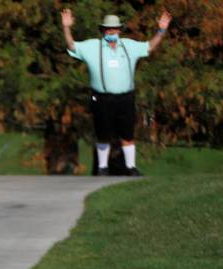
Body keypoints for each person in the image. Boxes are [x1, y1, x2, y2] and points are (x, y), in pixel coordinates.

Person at [62, 9, 172, 176]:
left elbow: (149, 47)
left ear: (119, 30)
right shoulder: (93, 46)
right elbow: (72, 46)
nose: (110, 31)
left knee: (127, 134)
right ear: (103, 30)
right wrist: (66, 28)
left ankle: (130, 167)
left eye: (113, 29)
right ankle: (102, 168)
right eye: (107, 29)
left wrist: (161, 30)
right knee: (103, 133)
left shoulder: (129, 46)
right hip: (102, 98)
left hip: (126, 97)